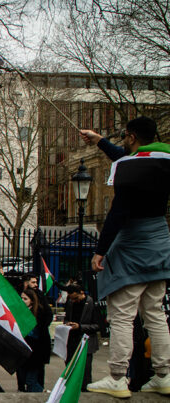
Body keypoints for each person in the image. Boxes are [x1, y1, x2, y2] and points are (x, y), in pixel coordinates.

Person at [80, 117, 170, 397]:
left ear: (131, 137)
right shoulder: (164, 157)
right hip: (160, 241)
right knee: (155, 313)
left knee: (122, 315)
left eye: (124, 139)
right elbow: (135, 160)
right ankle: (164, 375)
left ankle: (118, 377)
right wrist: (100, 141)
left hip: (133, 244)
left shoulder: (129, 167)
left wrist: (100, 251)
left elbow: (118, 212)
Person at [63, 284, 100, 390]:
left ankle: (85, 392)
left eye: (75, 298)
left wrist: (80, 327)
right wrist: (67, 323)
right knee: (70, 369)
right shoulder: (70, 303)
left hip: (86, 342)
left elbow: (98, 325)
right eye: (71, 299)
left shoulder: (92, 304)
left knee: (85, 372)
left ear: (82, 293)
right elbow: (66, 318)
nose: (73, 301)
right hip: (71, 342)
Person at [21, 274, 53, 387]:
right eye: (33, 282)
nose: (36, 285)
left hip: (37, 350)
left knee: (32, 380)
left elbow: (48, 317)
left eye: (25, 299)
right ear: (26, 282)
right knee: (27, 378)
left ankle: (41, 393)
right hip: (28, 350)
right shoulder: (23, 308)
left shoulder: (39, 309)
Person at [17, 289, 49, 392]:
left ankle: (47, 396)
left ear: (32, 300)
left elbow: (39, 333)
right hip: (24, 352)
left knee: (31, 381)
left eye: (25, 299)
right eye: (21, 298)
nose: (22, 300)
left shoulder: (39, 312)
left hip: (36, 353)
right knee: (25, 380)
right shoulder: (20, 312)